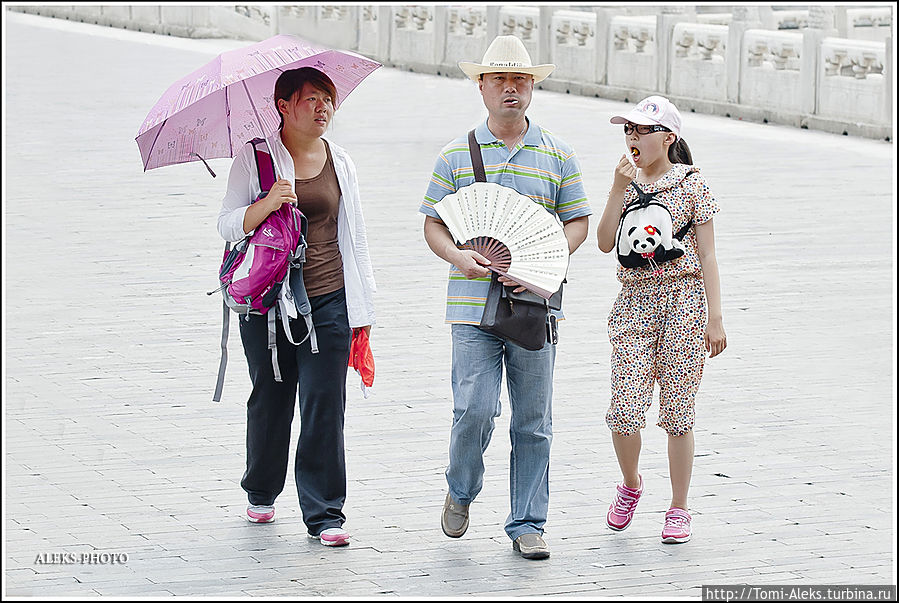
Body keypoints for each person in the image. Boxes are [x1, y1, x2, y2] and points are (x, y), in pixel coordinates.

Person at [419, 35, 592, 560]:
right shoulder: (455, 154)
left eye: (520, 80)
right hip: (471, 305)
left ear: (533, 86)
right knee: (474, 408)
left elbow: (578, 222)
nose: (510, 89)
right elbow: (433, 226)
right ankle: (461, 488)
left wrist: (542, 265)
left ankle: (527, 523)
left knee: (533, 419)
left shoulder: (557, 153)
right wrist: (460, 258)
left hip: (536, 306)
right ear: (482, 87)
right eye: (499, 80)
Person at [217, 67, 377, 547]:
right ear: (283, 105)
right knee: (271, 397)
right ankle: (261, 490)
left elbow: (357, 237)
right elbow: (226, 225)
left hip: (328, 299)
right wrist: (266, 203)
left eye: (328, 99)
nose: (323, 107)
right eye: (311, 99)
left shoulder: (340, 160)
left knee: (325, 402)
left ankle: (325, 513)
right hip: (266, 304)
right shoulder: (256, 158)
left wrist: (362, 310)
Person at [595, 95, 727, 544]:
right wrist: (616, 188)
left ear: (668, 137)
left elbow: (707, 253)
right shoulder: (626, 183)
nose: (632, 137)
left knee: (678, 412)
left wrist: (716, 317)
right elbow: (604, 242)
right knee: (625, 410)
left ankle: (678, 507)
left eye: (642, 130)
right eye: (627, 130)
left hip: (684, 301)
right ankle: (631, 483)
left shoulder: (692, 184)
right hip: (634, 301)